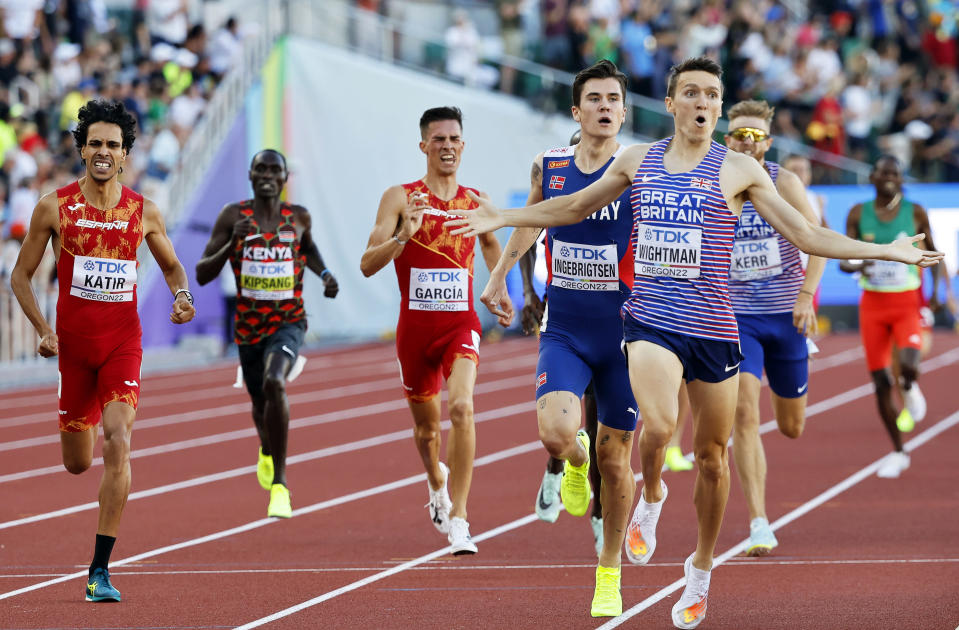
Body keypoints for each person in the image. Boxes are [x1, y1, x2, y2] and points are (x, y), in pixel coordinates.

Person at [446, 57, 942, 629]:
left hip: (714, 330)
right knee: (657, 426)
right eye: (692, 93)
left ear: (718, 106)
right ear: (674, 103)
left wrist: (887, 251)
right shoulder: (639, 160)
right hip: (650, 320)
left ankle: (700, 569)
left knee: (712, 459)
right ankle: (652, 495)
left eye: (713, 94)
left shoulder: (739, 171)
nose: (703, 103)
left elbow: (807, 233)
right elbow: (573, 206)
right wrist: (503, 216)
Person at [9, 99, 196, 602]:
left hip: (121, 345)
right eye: (95, 143)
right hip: (72, 351)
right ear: (81, 147)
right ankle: (83, 413)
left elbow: (174, 267)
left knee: (119, 438)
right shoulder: (55, 206)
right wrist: (43, 330)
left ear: (126, 153)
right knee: (76, 462)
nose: (103, 152)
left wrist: (182, 296)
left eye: (113, 145)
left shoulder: (144, 211)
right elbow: (20, 276)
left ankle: (99, 570)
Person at [481, 60, 637, 616]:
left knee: (617, 464)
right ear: (577, 112)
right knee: (555, 433)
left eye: (612, 99)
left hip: (624, 334)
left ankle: (610, 571)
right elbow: (533, 221)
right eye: (592, 98)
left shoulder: (640, 168)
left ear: (623, 110)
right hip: (566, 328)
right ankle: (573, 461)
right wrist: (499, 278)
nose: (602, 106)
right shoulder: (549, 164)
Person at [360, 106, 506, 555]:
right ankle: (435, 481)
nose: (447, 146)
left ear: (463, 145)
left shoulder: (476, 201)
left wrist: (498, 285)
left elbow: (492, 240)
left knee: (462, 407)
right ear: (424, 145)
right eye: (438, 139)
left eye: (454, 139)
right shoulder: (400, 197)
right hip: (415, 335)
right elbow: (367, 264)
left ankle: (460, 518)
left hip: (460, 325)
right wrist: (404, 235)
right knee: (427, 434)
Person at [195, 149, 339, 518]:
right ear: (250, 174)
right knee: (260, 403)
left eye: (275, 170)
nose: (268, 175)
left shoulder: (299, 217)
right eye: (261, 169)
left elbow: (310, 250)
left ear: (285, 177)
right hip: (248, 327)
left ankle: (281, 484)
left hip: (289, 322)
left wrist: (324, 275)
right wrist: (231, 244)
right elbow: (202, 273)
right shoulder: (233, 216)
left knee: (276, 382)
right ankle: (265, 446)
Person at [722, 100, 826, 556]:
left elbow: (817, 239)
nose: (748, 142)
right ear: (728, 139)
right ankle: (759, 520)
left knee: (791, 426)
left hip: (785, 317)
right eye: (740, 134)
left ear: (768, 141)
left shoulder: (784, 182)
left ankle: (761, 514)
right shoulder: (714, 179)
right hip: (736, 318)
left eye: (756, 136)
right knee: (743, 412)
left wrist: (805, 296)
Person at [522, 127, 604, 558]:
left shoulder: (621, 182)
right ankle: (557, 468)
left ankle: (601, 519)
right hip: (565, 319)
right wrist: (528, 293)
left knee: (600, 432)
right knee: (564, 426)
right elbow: (528, 236)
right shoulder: (555, 179)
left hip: (614, 322)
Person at [839, 155, 943, 479]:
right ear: (871, 176)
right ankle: (899, 451)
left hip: (907, 303)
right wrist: (861, 264)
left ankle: (910, 390)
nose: (888, 177)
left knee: (909, 366)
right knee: (881, 383)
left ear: (900, 179)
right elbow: (843, 259)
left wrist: (938, 293)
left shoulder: (915, 212)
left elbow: (933, 253)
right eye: (882, 172)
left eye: (894, 173)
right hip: (873, 305)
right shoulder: (858, 212)